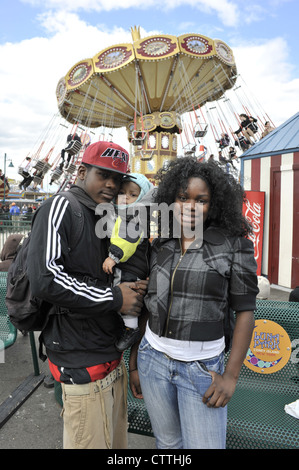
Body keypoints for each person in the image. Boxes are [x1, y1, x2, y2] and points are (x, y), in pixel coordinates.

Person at [27, 141, 148, 450]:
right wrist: (115, 298)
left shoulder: (107, 215)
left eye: (118, 178)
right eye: (102, 174)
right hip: (80, 358)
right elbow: (46, 278)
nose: (111, 184)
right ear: (81, 171)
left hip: (109, 355)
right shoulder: (62, 206)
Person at [130, 157, 258, 449]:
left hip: (202, 370)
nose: (190, 206)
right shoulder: (163, 241)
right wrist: (135, 361)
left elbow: (246, 312)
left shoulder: (235, 245)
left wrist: (230, 378)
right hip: (153, 361)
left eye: (201, 200)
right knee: (168, 444)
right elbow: (151, 305)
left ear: (215, 205)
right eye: (182, 197)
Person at [102, 173, 153, 352]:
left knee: (126, 293)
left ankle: (131, 329)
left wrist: (113, 256)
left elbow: (127, 239)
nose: (125, 198)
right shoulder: (121, 213)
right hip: (129, 263)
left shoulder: (135, 215)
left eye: (132, 194)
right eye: (122, 193)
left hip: (130, 264)